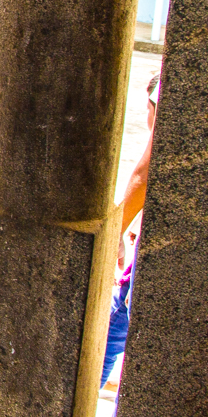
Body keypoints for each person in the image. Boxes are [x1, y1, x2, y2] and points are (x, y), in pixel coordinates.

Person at [100, 73, 160, 393]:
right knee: (112, 328)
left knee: (116, 331)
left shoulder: (175, 91)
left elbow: (145, 172)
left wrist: (116, 232)